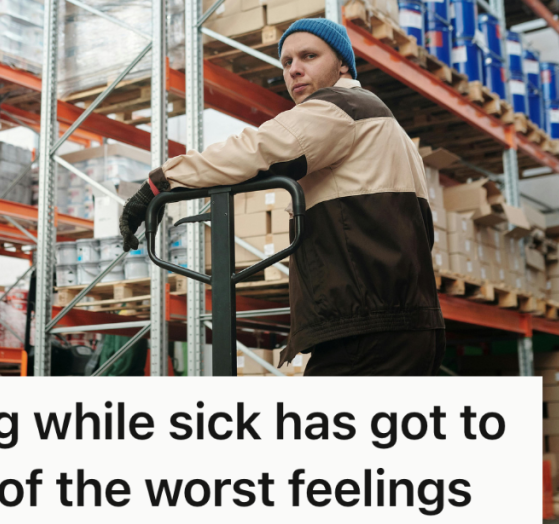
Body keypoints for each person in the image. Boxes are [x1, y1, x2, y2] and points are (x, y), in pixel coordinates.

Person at [118, 18, 444, 376]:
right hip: (406, 322)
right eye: (287, 62)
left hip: (368, 328)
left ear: (342, 64)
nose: (295, 70)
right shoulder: (385, 123)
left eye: (309, 56)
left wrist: (161, 183)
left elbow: (256, 150)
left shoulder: (339, 107)